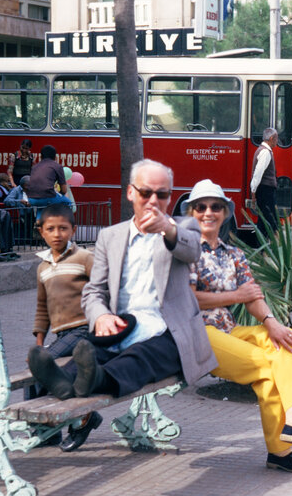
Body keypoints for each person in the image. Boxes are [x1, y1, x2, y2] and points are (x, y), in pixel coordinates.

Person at [26, 160, 218, 451]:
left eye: (162, 194)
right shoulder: (110, 236)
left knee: (140, 358)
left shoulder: (183, 227)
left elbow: (192, 249)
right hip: (122, 326)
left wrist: (167, 227)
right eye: (146, 193)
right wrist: (101, 316)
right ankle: (63, 383)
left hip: (169, 333)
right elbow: (93, 291)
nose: (154, 201)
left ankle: (93, 380)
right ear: (131, 193)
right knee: (90, 353)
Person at [185, 179, 292, 473]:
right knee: (267, 368)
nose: (208, 212)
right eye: (201, 207)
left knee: (284, 341)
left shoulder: (233, 253)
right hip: (196, 334)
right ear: (191, 212)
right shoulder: (185, 252)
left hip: (228, 330)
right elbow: (186, 299)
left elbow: (253, 296)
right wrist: (235, 296)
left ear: (225, 212)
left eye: (215, 206)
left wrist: (272, 322)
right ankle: (282, 449)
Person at [26, 206, 102, 452]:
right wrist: (39, 344)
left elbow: (103, 290)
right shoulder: (43, 267)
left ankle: (82, 418)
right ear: (41, 232)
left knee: (51, 371)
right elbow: (41, 307)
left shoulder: (84, 258)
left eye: (63, 228)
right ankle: (46, 431)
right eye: (50, 229)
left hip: (83, 330)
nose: (57, 234)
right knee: (32, 374)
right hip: (61, 335)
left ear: (73, 230)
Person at [250, 127, 281, 235]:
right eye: (276, 138)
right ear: (272, 138)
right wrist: (253, 191)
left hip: (263, 190)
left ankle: (263, 247)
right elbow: (257, 174)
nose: (277, 141)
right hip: (265, 190)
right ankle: (267, 246)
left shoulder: (262, 150)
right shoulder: (265, 152)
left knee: (264, 220)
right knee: (269, 219)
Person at [25, 145, 70, 209]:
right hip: (48, 198)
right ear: (55, 157)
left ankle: (39, 219)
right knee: (68, 202)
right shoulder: (57, 166)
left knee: (40, 208)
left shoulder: (34, 167)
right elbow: (64, 190)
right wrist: (59, 194)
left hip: (31, 199)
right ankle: (60, 218)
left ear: (40, 156)